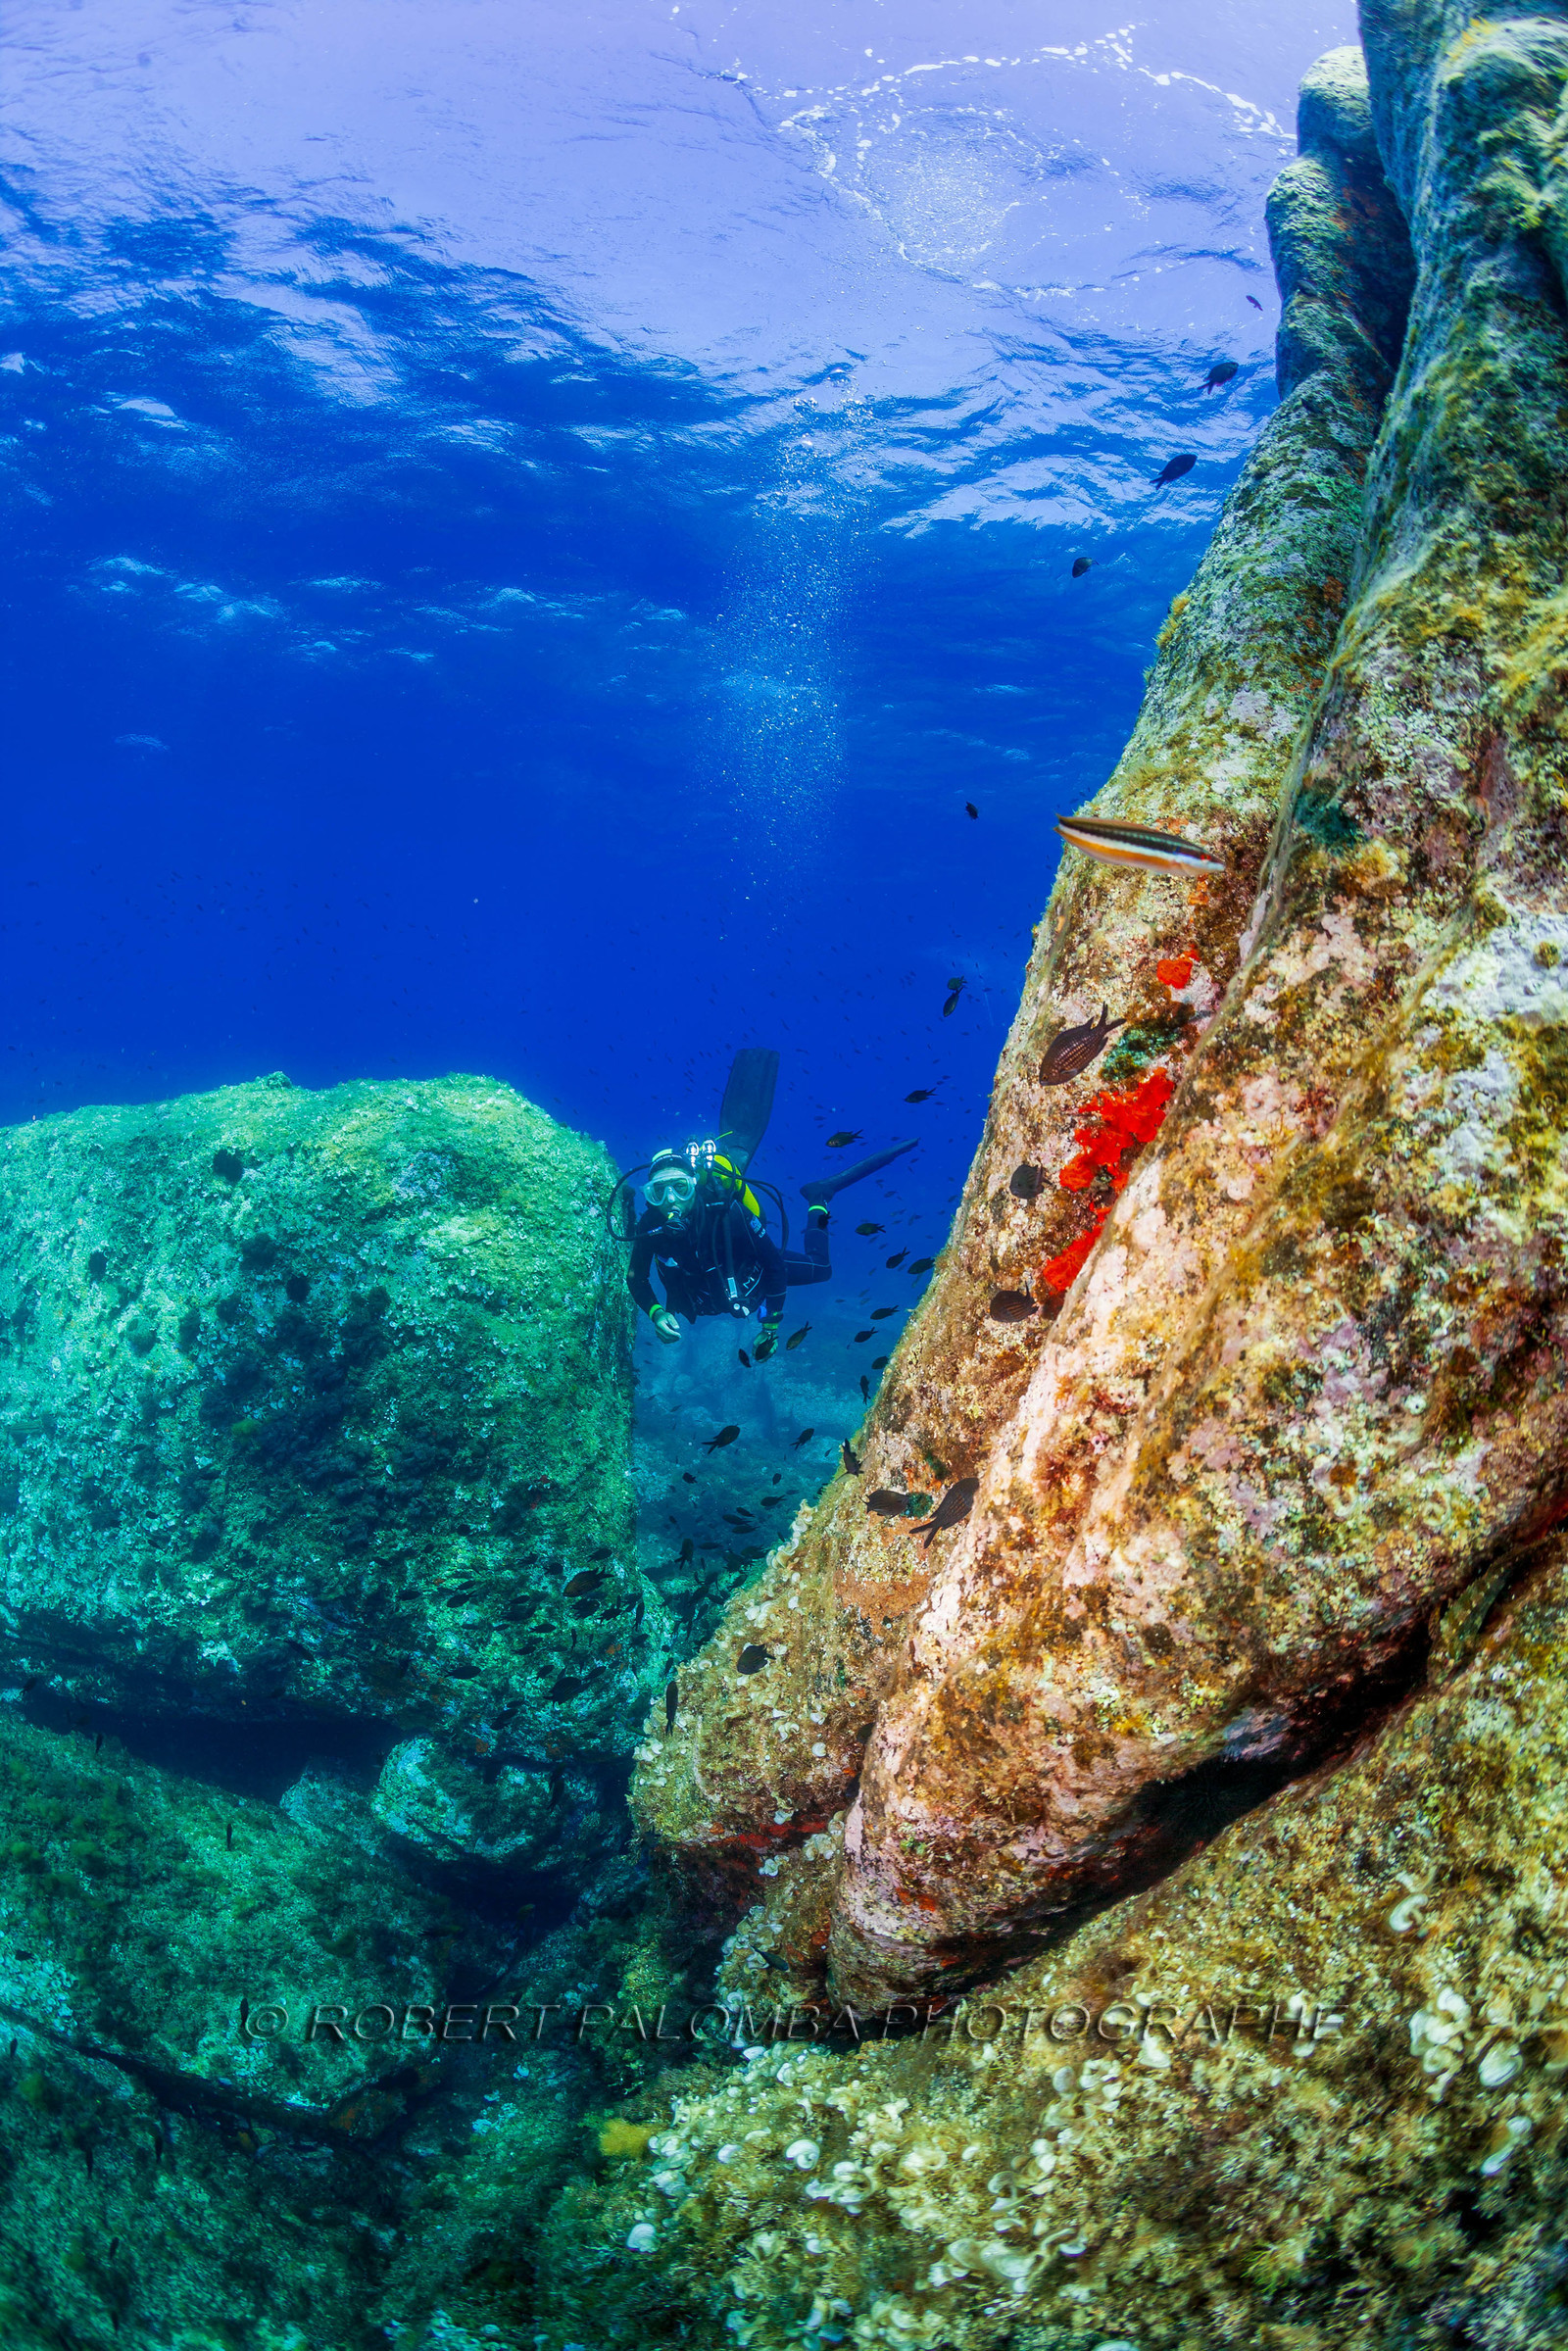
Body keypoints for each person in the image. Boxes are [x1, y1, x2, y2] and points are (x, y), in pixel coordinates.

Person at [627, 1132, 916, 1352]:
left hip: (754, 1275)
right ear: (649, 1195)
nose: (670, 1201)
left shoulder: (729, 1214)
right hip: (706, 1296)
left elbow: (774, 1263)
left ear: (693, 1185)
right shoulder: (650, 1225)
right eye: (658, 1192)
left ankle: (819, 1197)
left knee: (822, 1268)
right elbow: (637, 1278)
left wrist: (771, 1325)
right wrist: (656, 1312)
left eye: (680, 1187)